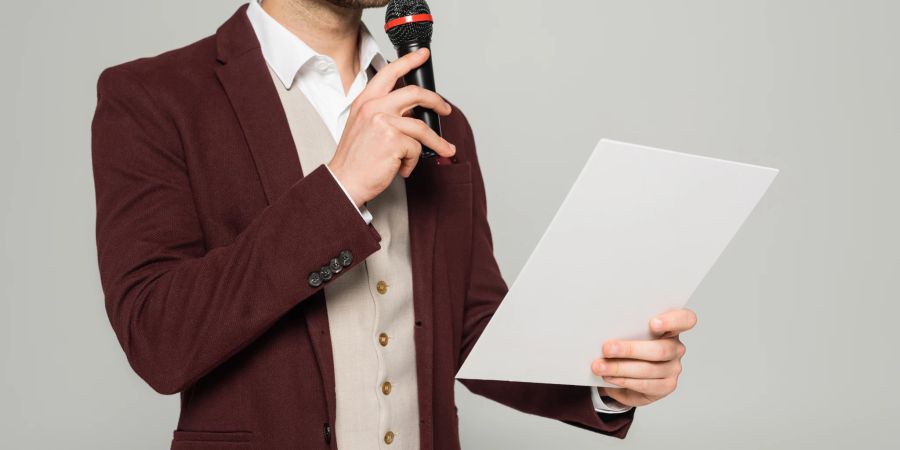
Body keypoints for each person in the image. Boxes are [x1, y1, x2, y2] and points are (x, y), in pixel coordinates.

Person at [90, 1, 698, 449]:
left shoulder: (440, 121)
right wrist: (340, 188)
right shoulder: (153, 97)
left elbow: (471, 328)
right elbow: (157, 337)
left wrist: (605, 380)